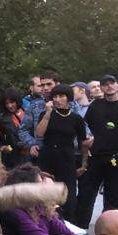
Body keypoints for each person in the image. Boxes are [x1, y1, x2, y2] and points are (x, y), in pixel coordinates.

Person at [76, 74, 118, 228]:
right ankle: (80, 229)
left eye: (112, 83)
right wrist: (86, 141)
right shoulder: (95, 105)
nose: (109, 86)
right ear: (100, 87)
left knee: (115, 196)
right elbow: (83, 126)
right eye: (105, 84)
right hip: (96, 156)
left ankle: (112, 230)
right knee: (86, 194)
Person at [34, 83, 88, 221]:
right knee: (46, 195)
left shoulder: (76, 118)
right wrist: (47, 114)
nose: (58, 99)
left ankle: (68, 223)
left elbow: (83, 143)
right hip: (47, 157)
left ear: (68, 98)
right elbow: (39, 134)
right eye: (55, 96)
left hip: (67, 159)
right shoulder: (45, 114)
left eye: (61, 96)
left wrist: (84, 164)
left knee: (68, 197)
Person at [0, 86, 26, 169]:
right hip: (12, 159)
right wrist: (2, 147)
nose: (9, 106)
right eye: (7, 103)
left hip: (29, 156)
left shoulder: (28, 113)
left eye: (12, 102)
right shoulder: (1, 119)